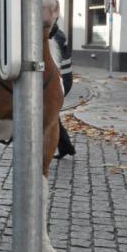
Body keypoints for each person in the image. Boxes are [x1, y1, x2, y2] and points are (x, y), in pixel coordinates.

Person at [52, 26, 77, 159]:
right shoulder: (56, 32)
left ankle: (65, 147)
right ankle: (66, 147)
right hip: (61, 78)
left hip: (61, 79)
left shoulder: (56, 35)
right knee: (51, 115)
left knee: (49, 115)